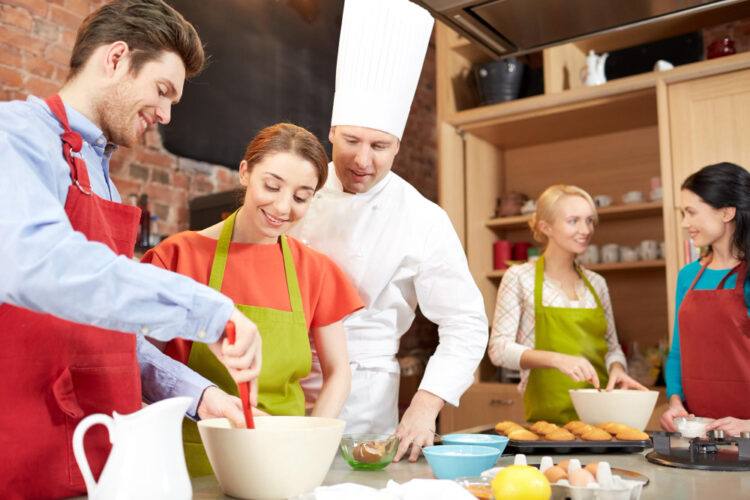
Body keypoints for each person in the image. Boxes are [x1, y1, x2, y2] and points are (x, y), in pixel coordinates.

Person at [0, 1, 261, 497]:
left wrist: (198, 396)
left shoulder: (104, 179)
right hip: (26, 455)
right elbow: (42, 264)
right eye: (162, 91)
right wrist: (211, 312)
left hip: (105, 460)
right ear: (116, 58)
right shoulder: (13, 135)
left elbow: (110, 334)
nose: (164, 114)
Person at [289, 0, 488, 463]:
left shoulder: (421, 217)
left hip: (364, 398)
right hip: (279, 385)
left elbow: (466, 324)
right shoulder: (297, 192)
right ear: (331, 132)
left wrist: (426, 403)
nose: (363, 160)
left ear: (397, 145)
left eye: (380, 146)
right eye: (352, 141)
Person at [143, 123, 364, 476]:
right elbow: (142, 362)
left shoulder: (315, 271)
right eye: (272, 186)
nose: (282, 207)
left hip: (284, 459)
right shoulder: (178, 257)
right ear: (245, 173)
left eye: (301, 197)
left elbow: (339, 372)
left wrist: (310, 442)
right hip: (193, 458)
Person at [488, 185, 646, 424]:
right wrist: (557, 359)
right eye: (573, 221)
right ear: (545, 227)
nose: (586, 230)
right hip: (546, 421)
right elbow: (498, 350)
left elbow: (612, 348)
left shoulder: (597, 283)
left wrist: (617, 369)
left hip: (601, 418)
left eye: (590, 220)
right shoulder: (519, 278)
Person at [660, 162, 750, 436]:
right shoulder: (689, 276)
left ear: (726, 212)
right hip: (699, 435)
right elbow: (678, 351)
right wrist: (675, 402)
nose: (685, 223)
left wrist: (748, 426)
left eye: (691, 212)